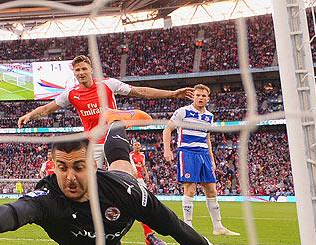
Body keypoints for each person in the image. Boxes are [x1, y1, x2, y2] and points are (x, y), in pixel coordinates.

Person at [0, 122, 246, 245]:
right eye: (62, 168)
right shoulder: (50, 197)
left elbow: (171, 225)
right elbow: (17, 210)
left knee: (123, 168)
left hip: (115, 216)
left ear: (92, 164)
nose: (70, 178)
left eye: (78, 167)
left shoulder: (122, 191)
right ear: (53, 166)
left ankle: (116, 128)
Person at [18, 54, 193, 168]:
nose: (81, 72)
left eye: (84, 69)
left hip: (114, 138)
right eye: (77, 70)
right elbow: (47, 109)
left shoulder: (108, 84)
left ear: (91, 70)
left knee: (127, 179)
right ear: (74, 73)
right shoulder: (71, 94)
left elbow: (141, 91)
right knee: (91, 183)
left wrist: (173, 94)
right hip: (92, 144)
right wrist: (29, 115)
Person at [162, 84, 240, 236]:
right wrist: (167, 149)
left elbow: (207, 137)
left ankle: (218, 227)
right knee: (190, 188)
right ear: (193, 96)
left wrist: (212, 159)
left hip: (203, 153)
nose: (200, 98)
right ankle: (188, 227)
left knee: (211, 189)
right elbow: (167, 129)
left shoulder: (209, 116)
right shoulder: (183, 112)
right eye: (197, 95)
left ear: (208, 98)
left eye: (203, 96)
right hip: (187, 152)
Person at [129, 141, 167, 245]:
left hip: (140, 180)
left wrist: (146, 174)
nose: (137, 147)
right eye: (135, 145)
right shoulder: (130, 156)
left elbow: (143, 166)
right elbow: (133, 170)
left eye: (138, 145)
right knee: (140, 205)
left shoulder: (142, 155)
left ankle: (148, 235)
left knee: (142, 205)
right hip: (133, 180)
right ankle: (149, 235)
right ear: (133, 146)